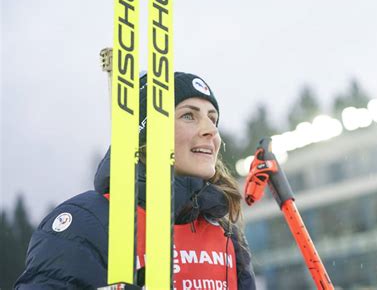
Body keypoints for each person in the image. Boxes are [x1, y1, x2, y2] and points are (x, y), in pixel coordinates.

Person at [15, 72, 256, 289]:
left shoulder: (226, 235)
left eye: (213, 119)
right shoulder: (87, 222)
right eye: (189, 116)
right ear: (148, 132)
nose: (211, 130)